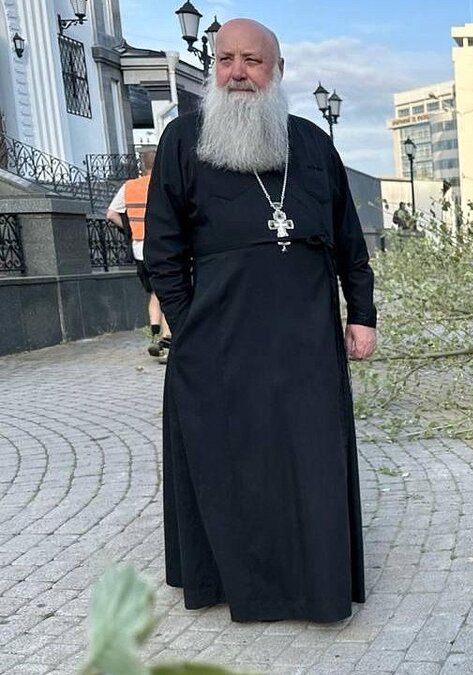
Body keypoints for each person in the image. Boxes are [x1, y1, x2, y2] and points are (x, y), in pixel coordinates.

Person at [144, 17, 377, 623]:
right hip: (218, 340)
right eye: (225, 60)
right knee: (230, 460)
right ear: (213, 68)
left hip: (305, 337)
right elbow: (163, 252)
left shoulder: (312, 143)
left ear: (277, 71)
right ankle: (234, 579)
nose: (238, 73)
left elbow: (350, 240)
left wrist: (364, 314)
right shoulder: (182, 140)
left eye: (252, 60)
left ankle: (313, 584)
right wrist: (187, 323)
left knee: (309, 458)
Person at [107, 148, 172, 362]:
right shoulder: (165, 184)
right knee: (170, 290)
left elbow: (111, 214)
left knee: (154, 292)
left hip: (140, 247)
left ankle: (155, 336)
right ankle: (168, 338)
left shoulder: (130, 187)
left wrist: (130, 230)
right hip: (164, 245)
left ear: (141, 165)